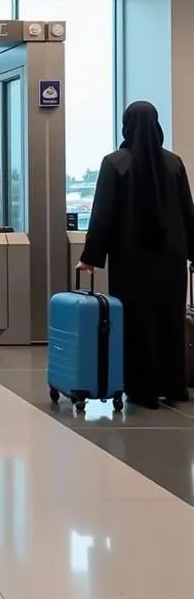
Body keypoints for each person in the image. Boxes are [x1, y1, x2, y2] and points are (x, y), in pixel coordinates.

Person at [79, 101, 194, 408]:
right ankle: (173, 386)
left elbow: (103, 214)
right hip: (171, 258)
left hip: (132, 258)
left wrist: (90, 256)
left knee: (135, 319)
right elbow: (187, 212)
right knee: (170, 317)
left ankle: (142, 389)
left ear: (126, 125)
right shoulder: (174, 163)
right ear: (157, 126)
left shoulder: (115, 163)